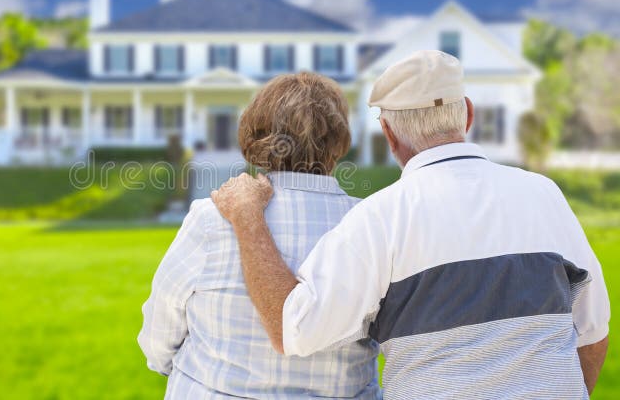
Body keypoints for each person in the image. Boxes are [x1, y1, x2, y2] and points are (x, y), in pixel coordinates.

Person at [211, 50, 610, 399]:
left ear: (388, 133)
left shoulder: (380, 218)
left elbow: (292, 329)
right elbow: (592, 332)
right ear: (467, 114)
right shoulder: (543, 194)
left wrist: (248, 218)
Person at [138, 72, 381, 399]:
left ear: (254, 135)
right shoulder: (372, 224)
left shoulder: (211, 218)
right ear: (339, 141)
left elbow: (160, 329)